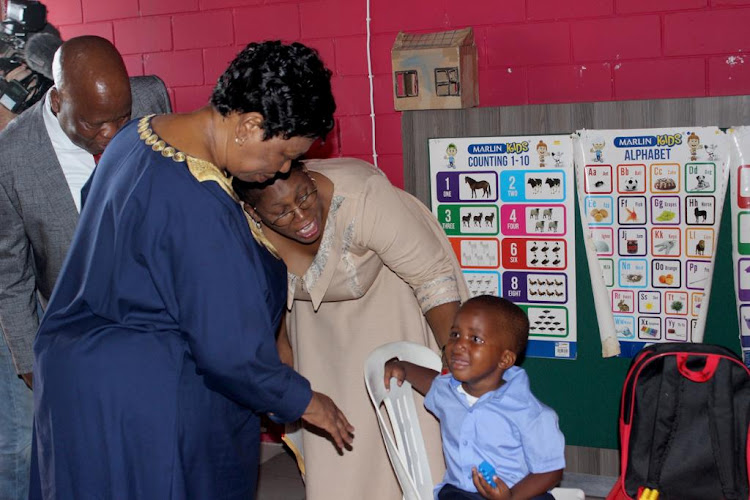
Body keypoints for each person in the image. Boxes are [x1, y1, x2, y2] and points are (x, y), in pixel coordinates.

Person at [30, 40, 353, 499]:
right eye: (282, 155)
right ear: (249, 125)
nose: (280, 171)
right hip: (144, 403)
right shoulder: (201, 203)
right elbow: (228, 351)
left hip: (77, 380)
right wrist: (305, 401)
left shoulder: (137, 135)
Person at [233, 157, 469, 499]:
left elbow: (432, 279)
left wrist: (454, 363)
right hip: (318, 332)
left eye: (304, 197)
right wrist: (282, 360)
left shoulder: (363, 196)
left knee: (412, 433)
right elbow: (261, 298)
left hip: (394, 303)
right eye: (281, 213)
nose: (301, 217)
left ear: (309, 175)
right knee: (339, 450)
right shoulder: (240, 225)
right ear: (255, 213)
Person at [0, 35, 170, 500]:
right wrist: (33, 364)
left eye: (121, 119)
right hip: (70, 319)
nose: (113, 135)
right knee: (61, 454)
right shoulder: (11, 156)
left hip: (148, 317)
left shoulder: (151, 97)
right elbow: (10, 274)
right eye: (96, 125)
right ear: (57, 102)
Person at [384, 295, 566, 500]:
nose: (459, 345)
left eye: (475, 339)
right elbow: (431, 382)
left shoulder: (530, 413)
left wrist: (510, 496)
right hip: (461, 492)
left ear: (505, 359)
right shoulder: (448, 391)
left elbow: (551, 471)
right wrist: (404, 368)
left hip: (519, 492)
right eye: (454, 334)